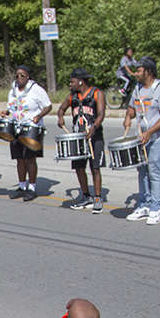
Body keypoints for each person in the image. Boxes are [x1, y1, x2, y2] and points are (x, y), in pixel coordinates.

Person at [123, 56, 160, 225]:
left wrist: (150, 132)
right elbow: (131, 107)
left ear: (148, 71)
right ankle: (144, 204)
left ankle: (155, 207)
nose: (135, 73)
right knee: (142, 172)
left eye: (138, 70)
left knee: (155, 172)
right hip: (142, 138)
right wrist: (128, 118)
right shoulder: (137, 88)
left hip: (158, 138)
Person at [56, 68, 107, 214]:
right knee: (79, 168)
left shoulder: (97, 93)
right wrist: (60, 117)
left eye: (72, 82)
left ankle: (97, 198)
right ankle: (86, 196)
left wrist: (94, 127)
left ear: (80, 81)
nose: (70, 84)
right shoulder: (72, 96)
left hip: (94, 136)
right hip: (78, 137)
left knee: (95, 167)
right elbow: (61, 109)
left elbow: (101, 114)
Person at [0, 65, 52, 202]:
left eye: (22, 75)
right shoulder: (13, 91)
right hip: (16, 127)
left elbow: (48, 105)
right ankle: (22, 186)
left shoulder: (36, 90)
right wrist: (7, 112)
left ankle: (32, 188)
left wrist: (39, 116)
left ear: (28, 76)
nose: (19, 78)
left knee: (30, 158)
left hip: (30, 128)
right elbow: (15, 107)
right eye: (17, 75)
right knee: (19, 158)